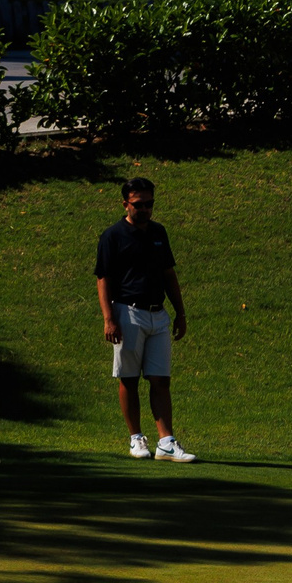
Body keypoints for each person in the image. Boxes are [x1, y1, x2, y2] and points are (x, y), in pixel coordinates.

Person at [94, 175, 193, 462]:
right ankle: (136, 438)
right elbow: (103, 280)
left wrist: (180, 313)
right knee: (129, 379)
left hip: (157, 314)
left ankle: (166, 442)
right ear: (125, 204)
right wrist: (109, 318)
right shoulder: (112, 236)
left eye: (150, 204)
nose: (145, 210)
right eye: (139, 204)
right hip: (127, 312)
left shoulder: (159, 233)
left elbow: (168, 275)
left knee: (161, 379)